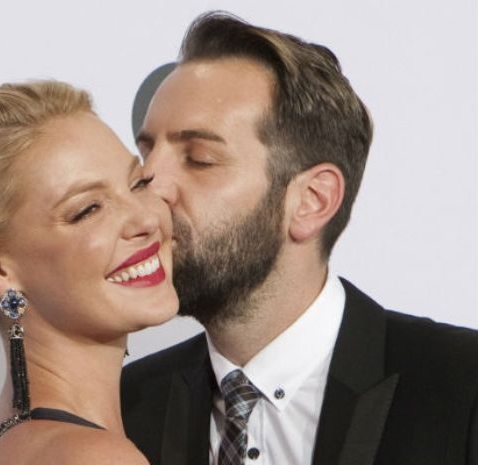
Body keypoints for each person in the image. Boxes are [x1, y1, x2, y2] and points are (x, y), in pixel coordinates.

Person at [121, 12, 478, 465]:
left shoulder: (462, 388)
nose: (149, 190)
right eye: (146, 157)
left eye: (200, 159)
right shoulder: (126, 408)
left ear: (312, 200)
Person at [0, 80, 179, 464]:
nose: (146, 219)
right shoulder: (92, 457)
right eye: (87, 210)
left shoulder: (22, 438)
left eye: (139, 183)